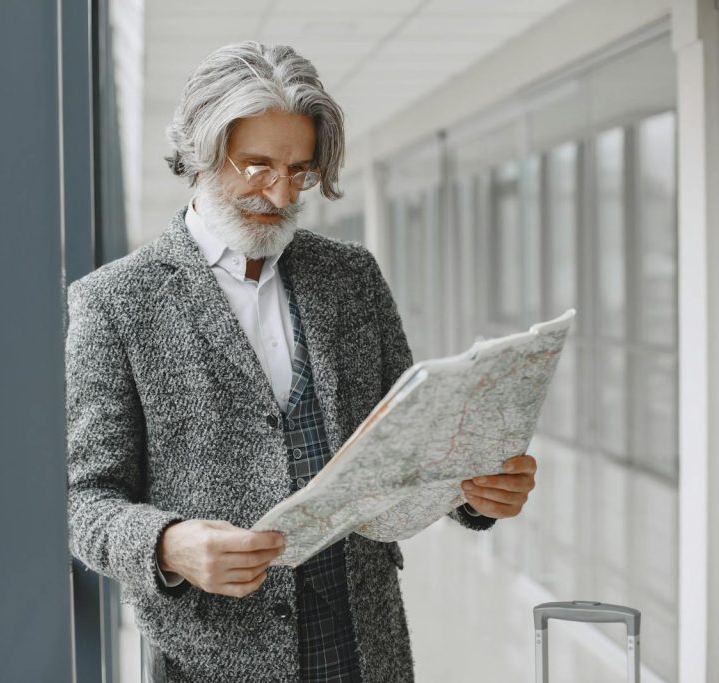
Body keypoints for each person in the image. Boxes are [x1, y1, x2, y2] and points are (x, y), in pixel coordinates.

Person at [66, 41, 538, 683]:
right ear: (200, 154)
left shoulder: (351, 276)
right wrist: (169, 545)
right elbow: (82, 498)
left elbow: (413, 438)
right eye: (257, 165)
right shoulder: (115, 302)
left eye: (299, 170)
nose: (280, 191)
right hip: (215, 658)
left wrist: (475, 493)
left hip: (363, 644)